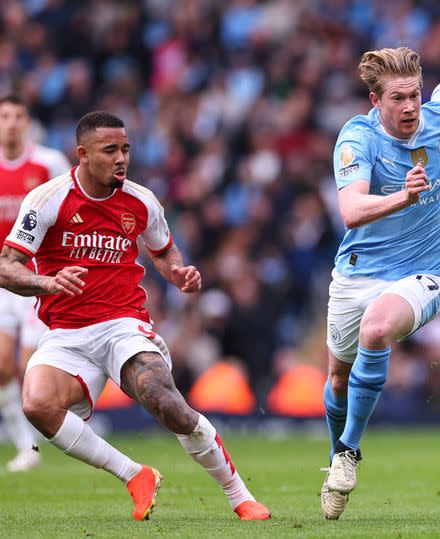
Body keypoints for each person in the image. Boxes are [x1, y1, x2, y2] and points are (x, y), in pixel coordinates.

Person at [0, 111, 270, 522]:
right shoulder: (48, 199)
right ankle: (134, 475)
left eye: (125, 148)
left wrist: (177, 272)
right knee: (37, 404)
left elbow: (163, 250)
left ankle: (240, 496)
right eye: (110, 150)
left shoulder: (142, 200)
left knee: (168, 404)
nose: (121, 158)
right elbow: (7, 266)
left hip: (121, 325)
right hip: (66, 332)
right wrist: (49, 283)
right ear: (83, 154)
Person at [320, 47, 440, 520]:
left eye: (415, 94)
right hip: (357, 272)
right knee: (336, 377)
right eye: (399, 98)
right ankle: (336, 461)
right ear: (376, 100)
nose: (412, 106)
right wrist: (401, 196)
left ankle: (350, 453)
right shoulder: (357, 138)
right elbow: (351, 211)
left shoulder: (439, 113)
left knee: (377, 328)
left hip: (425, 273)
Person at [0, 94, 71, 472]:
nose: (11, 122)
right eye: (4, 116)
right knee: (0, 366)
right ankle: (26, 447)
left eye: (17, 116)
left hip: (33, 278)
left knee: (29, 365)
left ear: (27, 122)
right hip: (1, 277)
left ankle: (53, 428)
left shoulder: (48, 163)